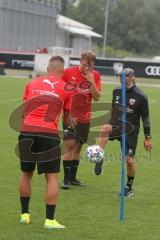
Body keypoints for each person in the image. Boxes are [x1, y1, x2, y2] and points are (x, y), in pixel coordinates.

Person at [18, 56, 72, 229]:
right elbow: (68, 118)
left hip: (27, 131)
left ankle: (24, 215)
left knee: (27, 173)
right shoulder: (66, 88)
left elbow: (23, 111)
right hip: (48, 134)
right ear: (62, 71)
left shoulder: (32, 83)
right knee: (52, 177)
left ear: (48, 68)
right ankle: (49, 220)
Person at [93, 68, 152, 197]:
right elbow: (114, 108)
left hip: (131, 131)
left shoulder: (141, 96)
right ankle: (100, 157)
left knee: (129, 161)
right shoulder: (117, 91)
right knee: (105, 128)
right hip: (116, 125)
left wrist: (148, 137)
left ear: (132, 78)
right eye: (120, 77)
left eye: (126, 78)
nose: (122, 80)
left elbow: (146, 118)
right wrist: (111, 123)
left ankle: (128, 187)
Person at [62, 51, 101, 189]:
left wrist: (91, 81)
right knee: (69, 145)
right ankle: (65, 179)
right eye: (86, 65)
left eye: (91, 66)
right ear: (80, 60)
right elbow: (60, 92)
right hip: (70, 116)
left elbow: (96, 97)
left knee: (78, 147)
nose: (88, 68)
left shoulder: (95, 75)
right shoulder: (67, 73)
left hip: (85, 117)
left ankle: (73, 178)